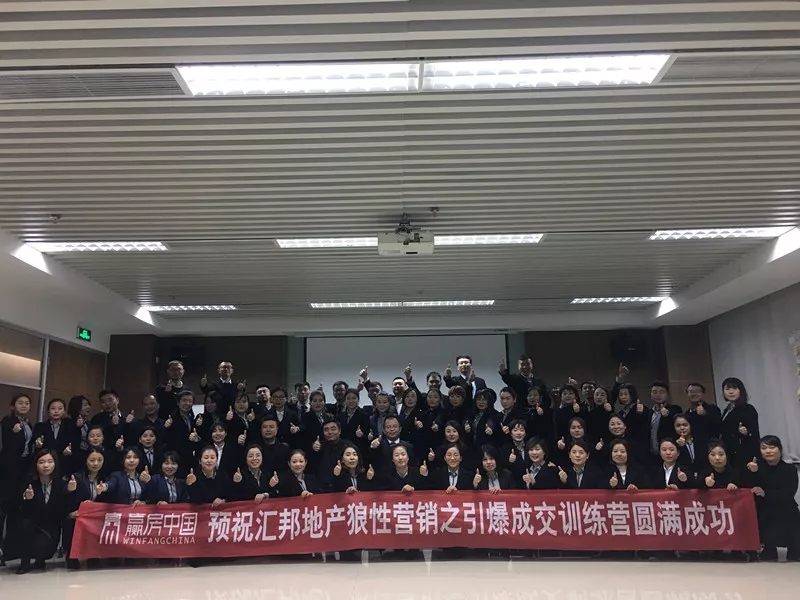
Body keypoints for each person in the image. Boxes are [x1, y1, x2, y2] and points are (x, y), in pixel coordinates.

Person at [7, 449, 67, 574]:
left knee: (42, 546)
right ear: (36, 464)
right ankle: (25, 562)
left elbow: (61, 508)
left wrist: (69, 491)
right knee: (25, 526)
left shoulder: (60, 483)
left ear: (55, 464)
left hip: (49, 527)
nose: (46, 465)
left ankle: (40, 560)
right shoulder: (28, 481)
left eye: (50, 461)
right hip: (31, 524)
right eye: (41, 462)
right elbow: (16, 503)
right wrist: (26, 497)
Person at [746, 435, 800, 561]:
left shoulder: (790, 469)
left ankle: (794, 548)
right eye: (764, 448)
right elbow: (749, 488)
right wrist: (752, 473)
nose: (768, 451)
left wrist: (766, 493)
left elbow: (789, 493)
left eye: (772, 447)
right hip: (765, 509)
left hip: (786, 508)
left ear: (780, 449)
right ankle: (769, 547)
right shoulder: (757, 468)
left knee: (794, 553)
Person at [62, 448, 106, 569]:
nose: (96, 463)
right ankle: (72, 555)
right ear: (86, 460)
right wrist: (69, 489)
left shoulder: (105, 478)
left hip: (98, 516)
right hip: (78, 515)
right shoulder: (77, 477)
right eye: (92, 460)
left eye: (99, 460)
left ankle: (93, 555)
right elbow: (64, 496)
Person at [719, 377, 760, 469]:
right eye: (727, 389)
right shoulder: (728, 408)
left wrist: (746, 431)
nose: (731, 392)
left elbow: (754, 430)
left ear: (741, 390)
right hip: (729, 450)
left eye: (734, 388)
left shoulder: (748, 409)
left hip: (743, 451)